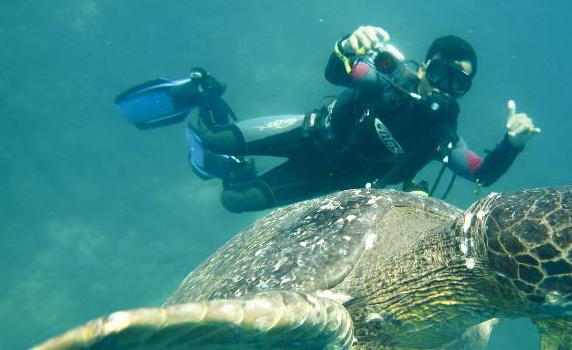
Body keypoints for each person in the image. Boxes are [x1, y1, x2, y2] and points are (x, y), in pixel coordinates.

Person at [187, 25, 540, 213]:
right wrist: (347, 46)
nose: (444, 88)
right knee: (212, 138)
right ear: (423, 68)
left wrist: (512, 145)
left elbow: (481, 173)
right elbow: (338, 72)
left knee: (235, 201)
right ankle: (204, 92)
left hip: (328, 181)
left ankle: (238, 169)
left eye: (458, 84)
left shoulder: (440, 134)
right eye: (440, 74)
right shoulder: (388, 81)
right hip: (309, 135)